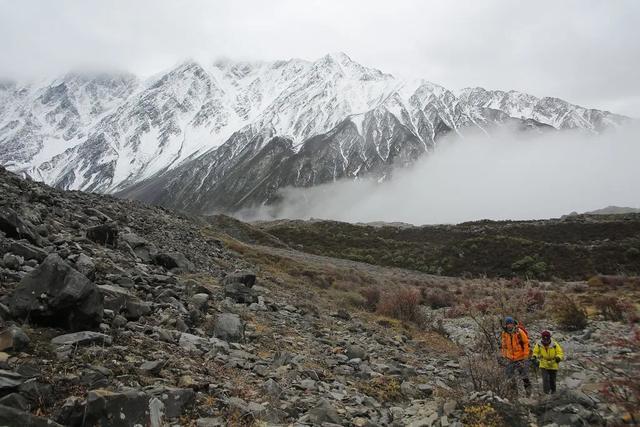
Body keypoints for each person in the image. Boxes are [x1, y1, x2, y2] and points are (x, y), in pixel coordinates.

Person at [500, 316, 531, 396]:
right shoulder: (504, 333)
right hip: (510, 359)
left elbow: (526, 343)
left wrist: (526, 356)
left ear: (513, 324)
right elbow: (504, 346)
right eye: (508, 324)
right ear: (506, 325)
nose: (509, 325)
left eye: (510, 324)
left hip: (521, 358)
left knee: (524, 377)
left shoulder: (519, 332)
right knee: (510, 377)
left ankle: (528, 393)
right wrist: (504, 355)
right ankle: (514, 394)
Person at [532, 330, 564, 394]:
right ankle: (546, 393)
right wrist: (534, 356)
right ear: (542, 338)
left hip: (553, 363)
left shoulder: (554, 344)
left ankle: (553, 392)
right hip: (544, 364)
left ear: (550, 338)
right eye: (544, 339)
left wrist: (558, 357)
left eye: (547, 339)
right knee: (545, 379)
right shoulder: (539, 344)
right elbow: (535, 352)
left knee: (552, 380)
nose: (546, 341)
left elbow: (560, 352)